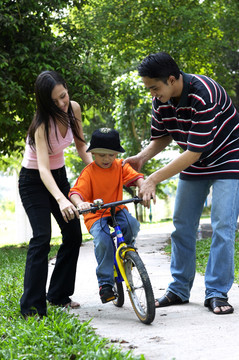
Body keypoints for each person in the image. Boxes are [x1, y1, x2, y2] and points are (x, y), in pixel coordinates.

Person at [124, 51, 239, 315]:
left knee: (223, 226)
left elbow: (194, 151)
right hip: (194, 160)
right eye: (148, 89)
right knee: (182, 225)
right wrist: (142, 158)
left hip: (228, 158)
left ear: (173, 79)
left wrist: (153, 179)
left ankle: (217, 292)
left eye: (155, 87)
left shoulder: (204, 94)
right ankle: (179, 289)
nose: (152, 94)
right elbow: (162, 135)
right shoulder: (160, 100)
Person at [19, 70, 92, 318]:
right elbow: (41, 168)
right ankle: (31, 307)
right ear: (45, 102)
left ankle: (58, 295)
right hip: (33, 180)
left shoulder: (74, 109)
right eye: (56, 101)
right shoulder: (41, 125)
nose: (62, 103)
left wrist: (99, 168)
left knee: (72, 234)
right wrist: (61, 199)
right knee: (42, 237)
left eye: (64, 96)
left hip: (58, 175)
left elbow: (82, 145)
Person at [69, 128, 144, 303]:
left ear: (117, 154)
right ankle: (105, 283)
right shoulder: (89, 172)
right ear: (93, 153)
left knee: (132, 225)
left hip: (117, 209)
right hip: (96, 215)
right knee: (103, 241)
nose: (106, 159)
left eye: (111, 155)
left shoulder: (120, 166)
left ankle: (126, 254)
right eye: (102, 155)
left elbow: (135, 177)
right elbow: (75, 192)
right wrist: (80, 204)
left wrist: (143, 186)